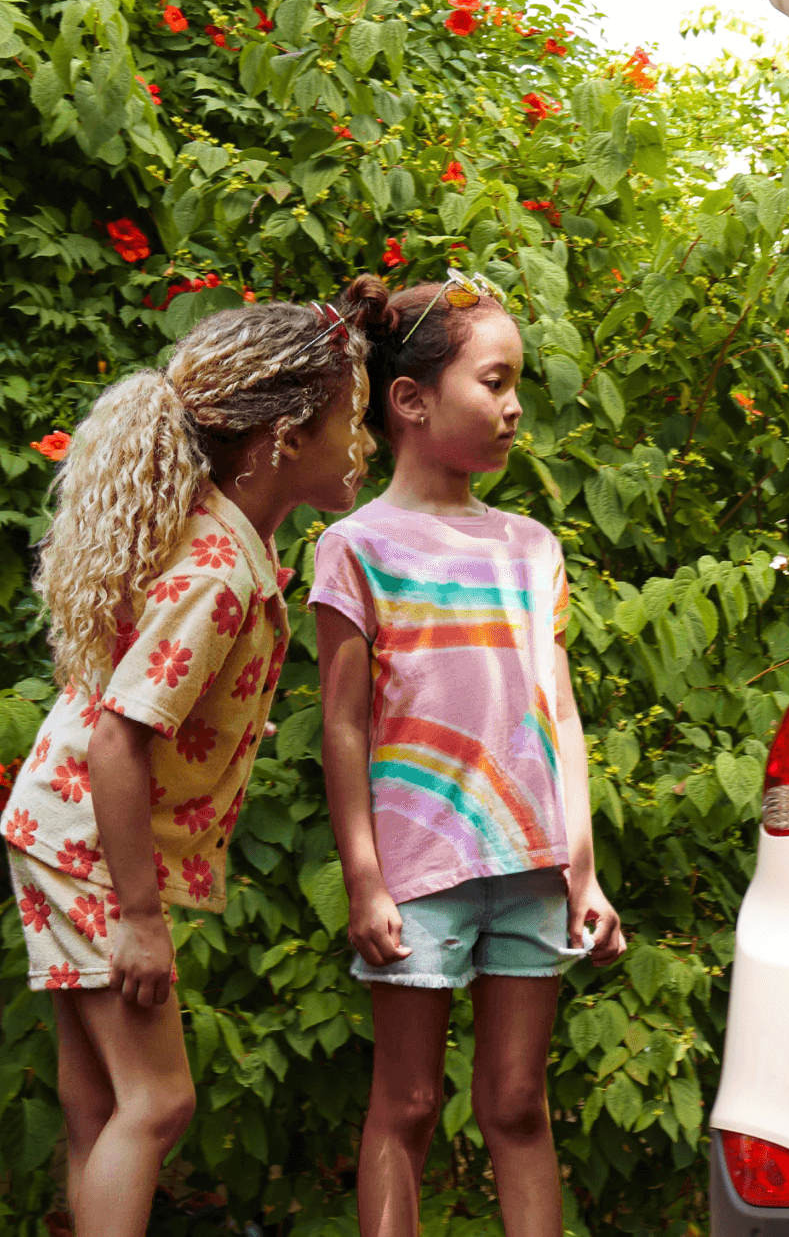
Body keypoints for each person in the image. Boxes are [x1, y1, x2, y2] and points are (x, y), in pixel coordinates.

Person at [0, 298, 375, 1237]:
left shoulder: (224, 540)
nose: (361, 443)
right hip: (89, 840)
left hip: (60, 826)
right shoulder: (217, 573)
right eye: (350, 421)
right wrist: (137, 916)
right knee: (159, 1103)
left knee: (101, 1106)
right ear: (286, 439)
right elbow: (121, 737)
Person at [309, 272, 625, 1237]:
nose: (514, 405)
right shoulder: (356, 545)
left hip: (529, 867)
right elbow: (344, 728)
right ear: (410, 400)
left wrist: (584, 874)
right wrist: (365, 881)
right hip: (420, 876)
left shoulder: (532, 547)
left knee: (518, 1106)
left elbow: (559, 712)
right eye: (494, 382)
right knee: (402, 1108)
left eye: (516, 384)